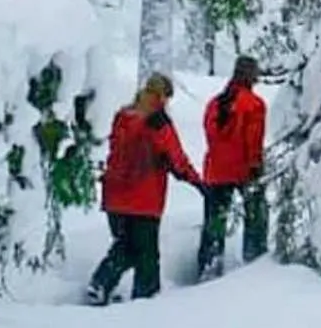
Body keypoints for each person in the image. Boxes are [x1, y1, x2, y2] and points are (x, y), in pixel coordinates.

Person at [87, 74, 204, 305]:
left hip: (114, 196)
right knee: (146, 255)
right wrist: (197, 182)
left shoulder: (123, 116)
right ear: (162, 96)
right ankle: (146, 302)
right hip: (144, 198)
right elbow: (176, 158)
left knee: (125, 245)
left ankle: (100, 284)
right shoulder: (158, 123)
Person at [197, 55, 268, 280]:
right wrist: (255, 165)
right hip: (243, 170)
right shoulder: (254, 104)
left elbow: (210, 135)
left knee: (214, 221)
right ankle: (255, 262)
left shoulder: (214, 103)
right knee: (256, 215)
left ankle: (209, 266)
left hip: (215, 170)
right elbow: (253, 140)